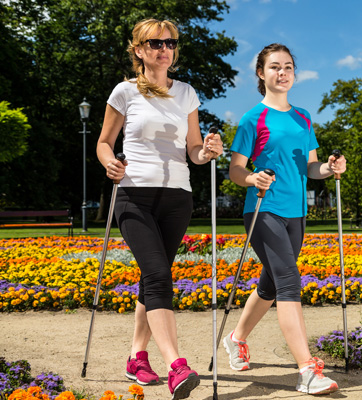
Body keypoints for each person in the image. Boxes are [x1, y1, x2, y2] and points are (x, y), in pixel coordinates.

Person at [96, 18, 223, 400]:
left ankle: (137, 357)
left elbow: (194, 150)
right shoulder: (124, 92)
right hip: (134, 194)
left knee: (153, 279)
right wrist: (108, 163)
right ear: (139, 50)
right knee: (157, 274)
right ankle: (176, 365)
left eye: (170, 43)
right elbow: (104, 142)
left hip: (177, 197)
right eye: (155, 43)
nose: (163, 49)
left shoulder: (186, 93)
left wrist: (209, 151)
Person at [226, 43, 346, 395]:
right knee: (290, 283)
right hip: (263, 209)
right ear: (261, 74)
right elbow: (235, 169)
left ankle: (236, 338)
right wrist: (251, 178)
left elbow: (311, 166)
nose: (283, 72)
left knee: (273, 284)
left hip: (297, 213)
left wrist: (330, 168)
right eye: (275, 66)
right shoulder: (253, 118)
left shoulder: (303, 117)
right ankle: (307, 370)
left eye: (289, 66)